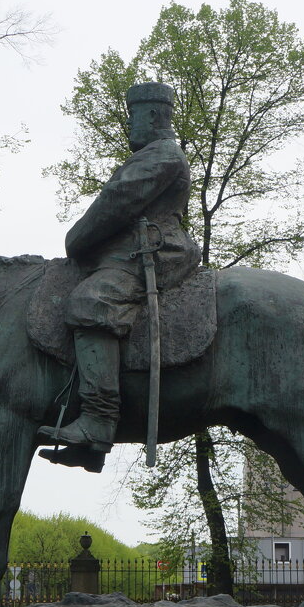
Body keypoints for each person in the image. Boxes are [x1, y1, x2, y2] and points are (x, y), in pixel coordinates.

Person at [38, 82, 201, 465]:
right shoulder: (153, 154)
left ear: (153, 115)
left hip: (155, 252)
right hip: (132, 251)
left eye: (132, 116)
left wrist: (76, 239)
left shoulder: (162, 155)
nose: (128, 125)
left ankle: (98, 418)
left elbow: (117, 202)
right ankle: (87, 449)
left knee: (92, 301)